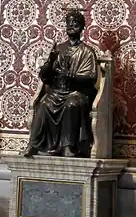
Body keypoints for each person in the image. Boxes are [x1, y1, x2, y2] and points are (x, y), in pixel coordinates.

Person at [25, 9, 98, 158]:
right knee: (44, 104)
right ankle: (33, 145)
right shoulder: (58, 49)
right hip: (57, 91)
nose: (71, 26)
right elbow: (45, 77)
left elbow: (91, 77)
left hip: (77, 92)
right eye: (69, 24)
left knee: (72, 104)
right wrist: (50, 61)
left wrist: (71, 76)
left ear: (82, 27)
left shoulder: (87, 51)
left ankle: (68, 146)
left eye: (75, 23)